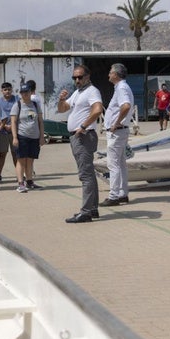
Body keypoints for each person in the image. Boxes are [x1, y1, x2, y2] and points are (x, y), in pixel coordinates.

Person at [57, 64, 103, 223]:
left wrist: (83, 126)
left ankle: (86, 212)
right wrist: (61, 99)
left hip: (83, 136)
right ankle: (93, 208)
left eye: (80, 77)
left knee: (85, 175)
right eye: (74, 77)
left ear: (87, 76)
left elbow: (98, 109)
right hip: (77, 137)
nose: (77, 80)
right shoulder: (78, 92)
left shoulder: (92, 91)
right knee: (88, 173)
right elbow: (63, 109)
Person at [100, 63, 134, 207]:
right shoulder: (122, 87)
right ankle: (122, 193)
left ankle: (114, 195)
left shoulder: (121, 88)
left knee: (113, 164)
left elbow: (125, 106)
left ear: (116, 74)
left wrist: (116, 123)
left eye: (110, 72)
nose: (108, 74)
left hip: (117, 132)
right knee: (120, 164)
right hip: (120, 131)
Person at [11, 83, 44, 193]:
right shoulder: (17, 105)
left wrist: (41, 136)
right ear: (20, 94)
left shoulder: (35, 105)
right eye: (22, 92)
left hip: (34, 137)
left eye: (27, 92)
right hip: (22, 136)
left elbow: (40, 121)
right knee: (21, 161)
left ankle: (30, 182)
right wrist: (15, 137)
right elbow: (13, 122)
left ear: (31, 92)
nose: (25, 94)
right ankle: (21, 183)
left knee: (30, 160)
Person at [0, 82, 18, 183]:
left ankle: (19, 174)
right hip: (2, 131)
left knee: (16, 154)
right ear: (2, 91)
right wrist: (4, 125)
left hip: (14, 131)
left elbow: (20, 113)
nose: (7, 91)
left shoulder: (17, 100)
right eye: (5, 90)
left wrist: (12, 126)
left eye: (9, 89)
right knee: (2, 154)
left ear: (11, 90)